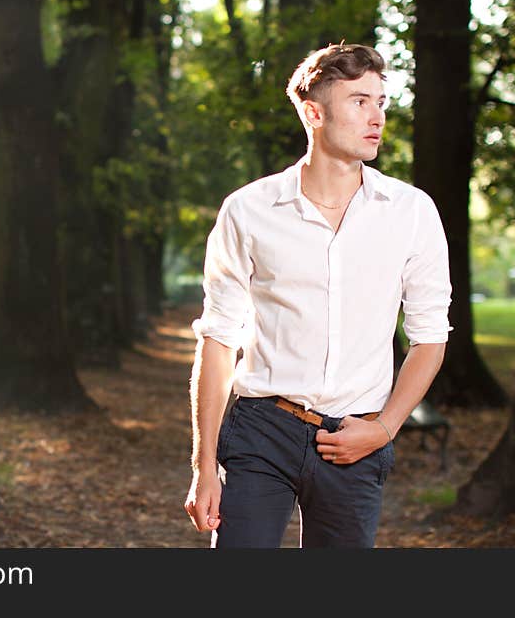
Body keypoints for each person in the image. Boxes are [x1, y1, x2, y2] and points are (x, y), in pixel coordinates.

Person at [183, 43, 452, 548]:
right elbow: (218, 341)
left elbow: (430, 338)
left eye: (380, 101)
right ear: (314, 112)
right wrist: (203, 467)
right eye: (359, 101)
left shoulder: (411, 212)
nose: (377, 117)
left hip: (355, 437)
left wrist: (385, 428)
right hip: (263, 428)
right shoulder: (248, 210)